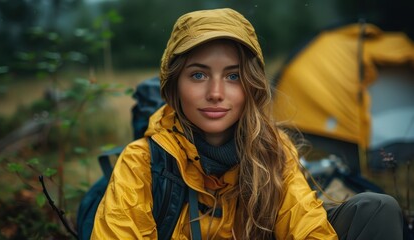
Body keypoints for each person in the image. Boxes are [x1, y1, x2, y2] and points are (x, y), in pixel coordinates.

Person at [91, 8, 404, 239]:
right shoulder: (143, 162)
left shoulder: (273, 150)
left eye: (233, 76)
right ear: (173, 87)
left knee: (377, 208)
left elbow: (306, 227)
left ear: (251, 86)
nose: (215, 94)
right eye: (198, 75)